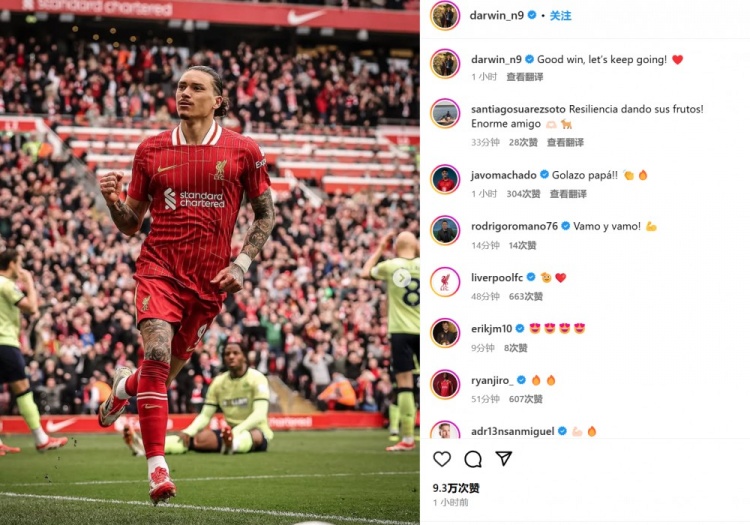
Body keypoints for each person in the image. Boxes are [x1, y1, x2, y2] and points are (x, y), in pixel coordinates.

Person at [96, 65, 274, 504]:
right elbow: (130, 224)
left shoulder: (243, 150)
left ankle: (124, 388)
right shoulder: (151, 149)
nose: (185, 93)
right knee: (156, 353)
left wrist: (242, 264)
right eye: (181, 86)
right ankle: (157, 470)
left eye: (196, 87)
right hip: (158, 269)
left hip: (209, 283)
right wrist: (113, 201)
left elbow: (266, 214)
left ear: (218, 100)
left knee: (160, 375)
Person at [123, 342, 273, 456]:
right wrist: (189, 432)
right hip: (229, 432)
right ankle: (144, 447)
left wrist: (236, 431)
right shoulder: (218, 382)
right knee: (196, 439)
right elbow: (205, 415)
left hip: (256, 431)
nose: (231, 356)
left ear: (244, 356)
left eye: (235, 353)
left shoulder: (257, 378)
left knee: (254, 435)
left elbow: (259, 415)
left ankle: (233, 445)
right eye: (227, 354)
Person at [0, 249, 68, 454]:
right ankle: (41, 439)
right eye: (19, 263)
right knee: (22, 389)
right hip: (5, 343)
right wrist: (29, 281)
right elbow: (32, 308)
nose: (21, 268)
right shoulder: (6, 284)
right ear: (12, 264)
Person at [361, 232, 420, 452]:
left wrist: (380, 248)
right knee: (442, 380)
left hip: (400, 332)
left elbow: (365, 272)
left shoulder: (391, 266)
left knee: (404, 385)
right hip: (427, 330)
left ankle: (407, 438)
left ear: (395, 247)